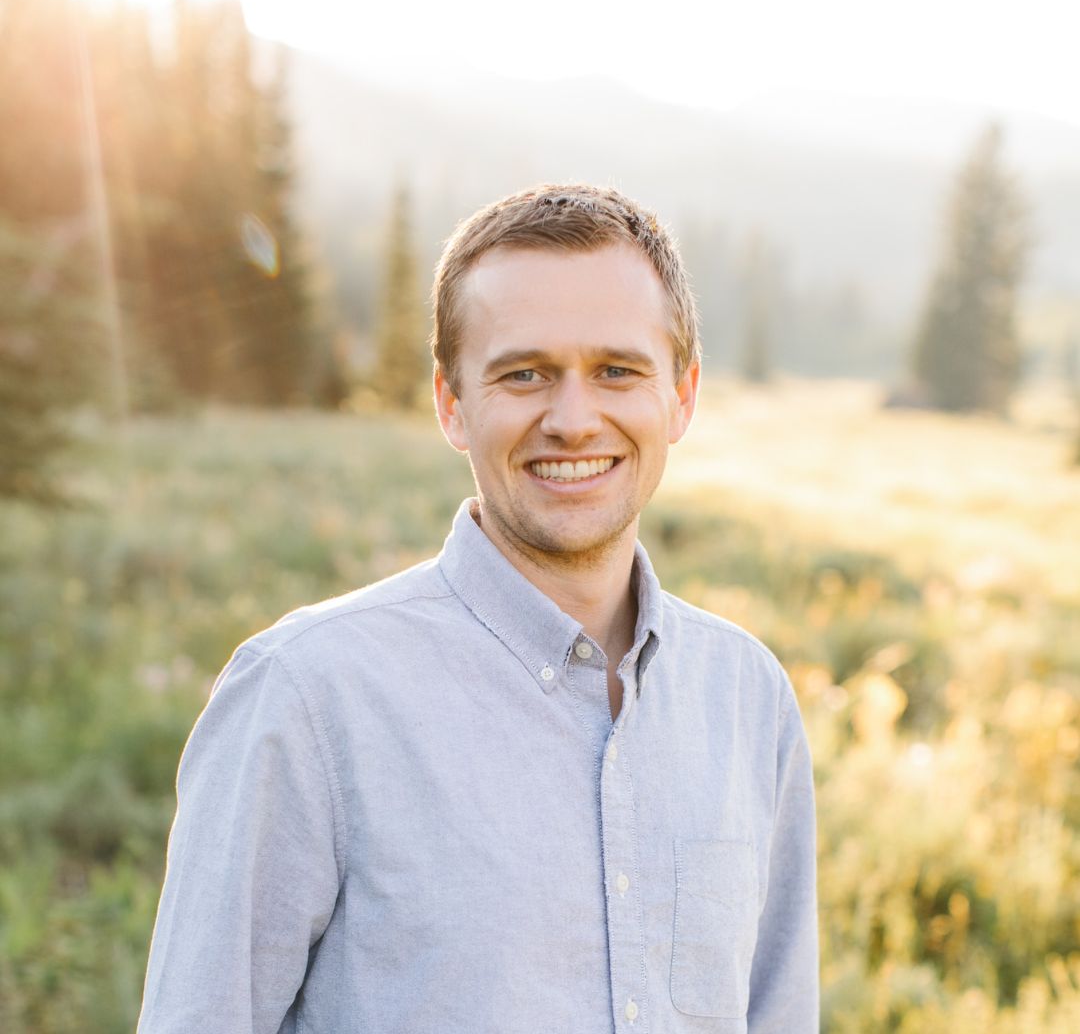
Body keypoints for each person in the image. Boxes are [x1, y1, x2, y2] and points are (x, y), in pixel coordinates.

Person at [137, 183, 819, 1033]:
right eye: (524, 374)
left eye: (617, 370)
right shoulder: (308, 699)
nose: (573, 419)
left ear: (681, 395)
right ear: (451, 403)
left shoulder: (748, 700)